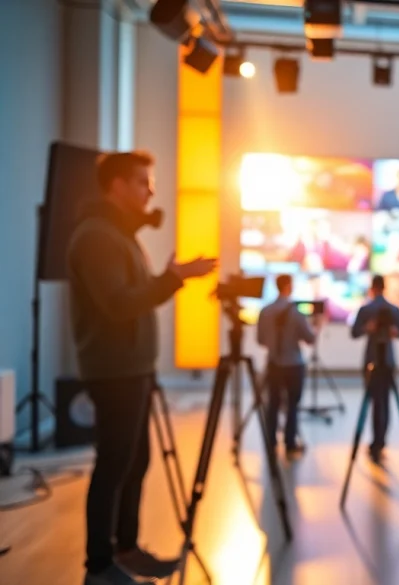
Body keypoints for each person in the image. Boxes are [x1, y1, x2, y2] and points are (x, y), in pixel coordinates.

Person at [67, 151, 217, 585]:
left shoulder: (116, 234)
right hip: (114, 370)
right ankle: (99, 566)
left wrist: (171, 276)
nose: (150, 191)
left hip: (131, 367)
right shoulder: (97, 237)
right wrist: (173, 278)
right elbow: (119, 304)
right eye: (141, 182)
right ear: (116, 186)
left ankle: (126, 549)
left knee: (134, 461)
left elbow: (132, 294)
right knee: (114, 463)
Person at [256, 274, 322, 458]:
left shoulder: (265, 311)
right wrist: (317, 326)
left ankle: (270, 442)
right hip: (293, 365)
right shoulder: (296, 313)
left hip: (273, 364)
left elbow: (260, 340)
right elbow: (310, 339)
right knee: (293, 405)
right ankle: (290, 443)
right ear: (288, 286)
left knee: (273, 404)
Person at [351, 275, 399, 461]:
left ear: (372, 288)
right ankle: (380, 441)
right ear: (384, 287)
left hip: (372, 359)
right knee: (385, 402)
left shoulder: (366, 309)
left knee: (375, 402)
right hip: (386, 360)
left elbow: (354, 332)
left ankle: (378, 442)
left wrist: (367, 328)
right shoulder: (393, 310)